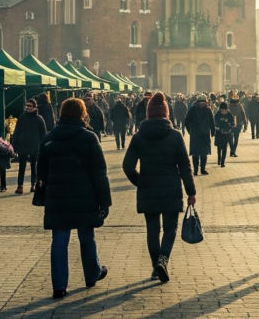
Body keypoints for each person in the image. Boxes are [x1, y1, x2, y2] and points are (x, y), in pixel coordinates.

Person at [37, 97, 112, 299]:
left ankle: (59, 286)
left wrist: (44, 193)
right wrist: (105, 201)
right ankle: (92, 274)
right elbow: (99, 173)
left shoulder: (50, 137)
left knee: (59, 240)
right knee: (86, 236)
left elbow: (41, 171)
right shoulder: (89, 138)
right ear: (82, 113)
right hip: (84, 196)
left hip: (57, 198)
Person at [123, 91, 196, 283]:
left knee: (152, 229)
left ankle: (156, 265)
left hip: (148, 187)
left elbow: (127, 166)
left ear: (148, 113)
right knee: (170, 228)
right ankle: (163, 260)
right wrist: (191, 191)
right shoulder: (175, 136)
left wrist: (139, 181)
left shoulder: (138, 137)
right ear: (166, 112)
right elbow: (185, 166)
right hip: (171, 187)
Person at [11, 97, 48, 195]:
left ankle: (33, 185)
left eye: (30, 106)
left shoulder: (39, 119)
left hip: (35, 146)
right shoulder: (22, 117)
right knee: (22, 167)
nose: (27, 108)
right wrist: (14, 143)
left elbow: (43, 134)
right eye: (26, 106)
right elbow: (17, 131)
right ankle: (20, 186)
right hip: (23, 145)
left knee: (33, 166)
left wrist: (43, 146)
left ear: (35, 108)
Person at [184, 94, 215, 176]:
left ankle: (203, 169)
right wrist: (190, 131)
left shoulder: (208, 110)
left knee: (204, 153)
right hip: (195, 134)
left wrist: (213, 131)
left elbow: (212, 121)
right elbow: (186, 121)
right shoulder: (192, 109)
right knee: (195, 153)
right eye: (201, 102)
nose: (202, 104)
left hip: (205, 134)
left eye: (204, 102)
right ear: (198, 102)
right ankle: (195, 170)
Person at [214, 101, 235, 168]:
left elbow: (233, 123)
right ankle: (219, 159)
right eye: (222, 110)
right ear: (220, 109)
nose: (223, 111)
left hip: (226, 134)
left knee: (225, 148)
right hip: (219, 134)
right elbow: (214, 124)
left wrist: (230, 127)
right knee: (219, 148)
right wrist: (218, 128)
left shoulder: (229, 115)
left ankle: (223, 162)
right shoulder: (217, 115)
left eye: (225, 110)